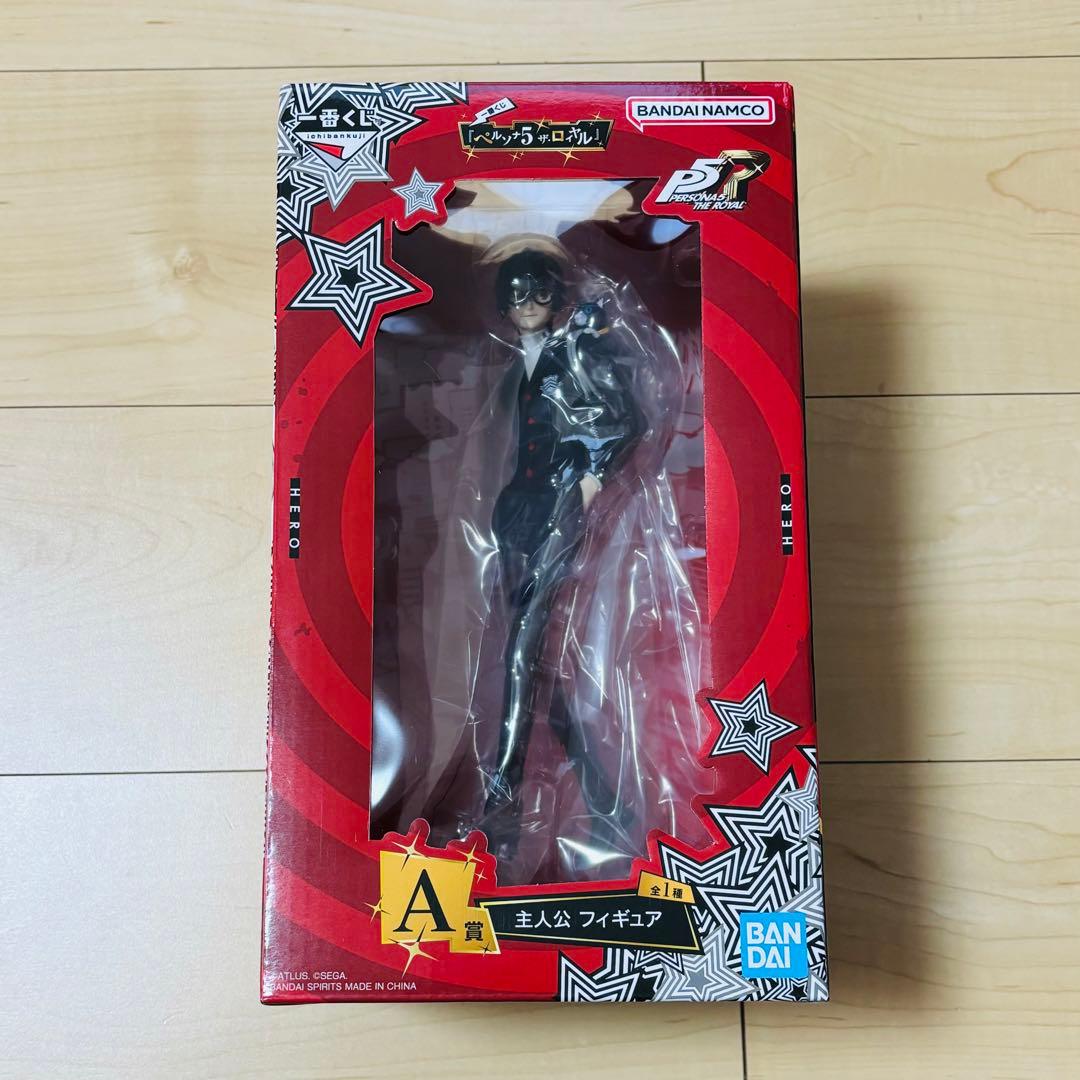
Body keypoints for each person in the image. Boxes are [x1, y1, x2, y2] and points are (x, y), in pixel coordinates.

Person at [481, 249, 643, 859]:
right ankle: (606, 802)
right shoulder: (514, 358)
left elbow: (628, 420)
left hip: (558, 507)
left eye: (538, 295)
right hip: (516, 510)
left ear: (555, 297)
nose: (527, 306)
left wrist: (591, 479)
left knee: (523, 649)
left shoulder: (579, 349)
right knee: (531, 663)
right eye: (516, 297)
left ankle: (502, 801)